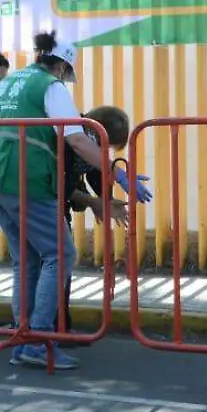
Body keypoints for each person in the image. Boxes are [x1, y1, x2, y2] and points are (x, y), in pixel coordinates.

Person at [0, 32, 152, 370]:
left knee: (27, 259)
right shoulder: (51, 87)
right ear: (62, 67)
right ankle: (38, 340)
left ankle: (23, 340)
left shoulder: (7, 85)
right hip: (28, 179)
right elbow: (76, 140)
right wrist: (117, 172)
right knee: (61, 254)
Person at [57, 106, 131, 344]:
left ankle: (58, 328)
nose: (104, 152)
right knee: (57, 262)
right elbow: (59, 183)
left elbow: (95, 172)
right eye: (106, 145)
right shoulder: (70, 136)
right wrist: (94, 202)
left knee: (60, 261)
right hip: (44, 200)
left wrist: (105, 199)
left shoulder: (88, 138)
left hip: (57, 202)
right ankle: (52, 329)